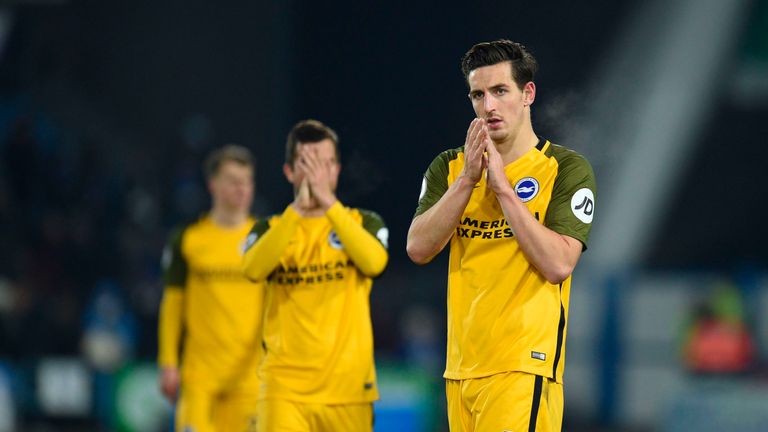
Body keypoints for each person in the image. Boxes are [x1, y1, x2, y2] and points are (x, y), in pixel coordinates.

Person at [406, 39, 596, 431]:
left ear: (528, 93)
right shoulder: (451, 167)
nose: (488, 106)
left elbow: (559, 263)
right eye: (478, 94)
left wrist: (504, 191)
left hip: (522, 366)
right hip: (460, 370)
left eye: (499, 91)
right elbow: (418, 248)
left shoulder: (565, 168)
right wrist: (466, 182)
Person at [242, 119, 388, 432]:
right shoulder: (269, 229)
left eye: (325, 163)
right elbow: (253, 270)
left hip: (348, 391)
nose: (318, 173)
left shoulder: (363, 222)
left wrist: (329, 205)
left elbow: (374, 263)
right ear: (290, 172)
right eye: (308, 164)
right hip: (283, 389)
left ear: (337, 169)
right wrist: (297, 211)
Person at [158, 145, 264, 432]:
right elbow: (173, 303)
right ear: (212, 184)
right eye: (233, 180)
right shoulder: (188, 239)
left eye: (247, 181)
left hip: (248, 378)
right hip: (199, 377)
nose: (241, 188)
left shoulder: (265, 239)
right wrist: (168, 362)